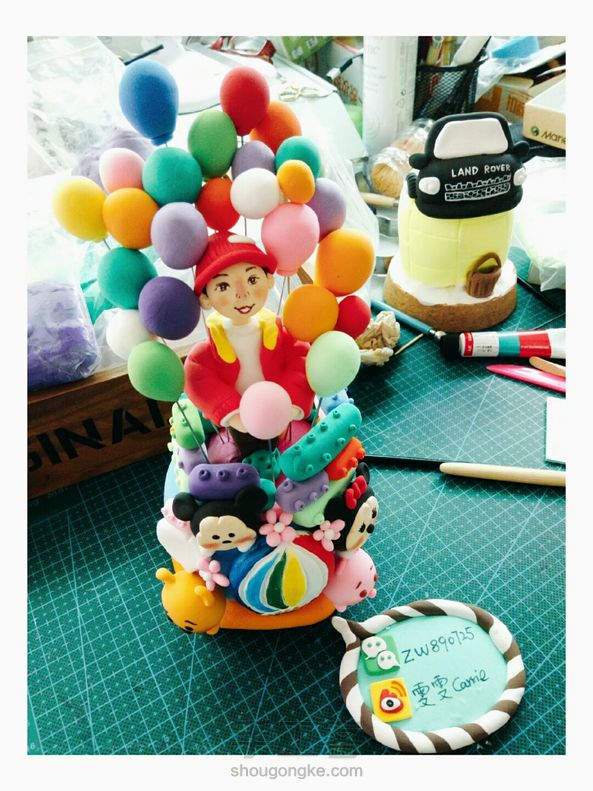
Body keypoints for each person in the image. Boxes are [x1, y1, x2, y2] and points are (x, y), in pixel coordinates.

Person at [184, 231, 314, 454]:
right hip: (240, 418)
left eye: (252, 280)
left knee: (278, 444)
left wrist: (289, 400)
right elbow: (197, 377)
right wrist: (232, 412)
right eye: (223, 286)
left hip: (276, 410)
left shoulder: (281, 332)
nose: (242, 294)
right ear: (205, 298)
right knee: (247, 449)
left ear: (269, 279)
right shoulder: (208, 349)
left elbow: (301, 359)